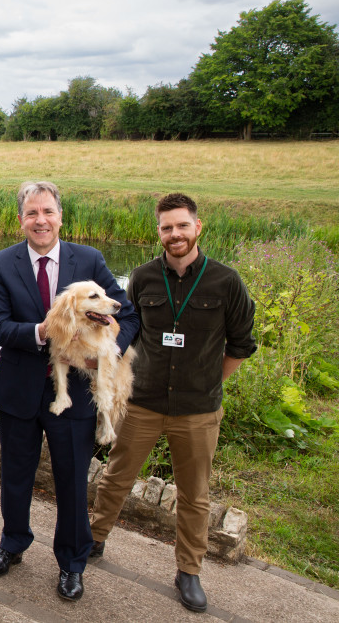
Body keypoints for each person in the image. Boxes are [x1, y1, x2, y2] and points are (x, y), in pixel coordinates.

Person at [89, 193, 256, 613]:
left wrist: (209, 383)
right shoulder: (143, 278)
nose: (175, 234)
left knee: (195, 494)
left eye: (182, 225)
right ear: (159, 231)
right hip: (143, 401)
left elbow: (240, 344)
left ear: (197, 227)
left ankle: (188, 571)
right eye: (167, 227)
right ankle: (93, 540)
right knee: (116, 476)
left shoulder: (226, 282)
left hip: (198, 410)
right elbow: (129, 329)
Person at [0, 181, 139, 602]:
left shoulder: (88, 258)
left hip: (76, 398)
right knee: (14, 476)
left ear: (60, 217)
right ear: (21, 220)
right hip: (19, 390)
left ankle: (72, 563)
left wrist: (107, 356)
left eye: (47, 212)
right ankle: (12, 543)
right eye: (32, 213)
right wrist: (42, 331)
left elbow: (126, 311)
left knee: (72, 481)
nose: (40, 220)